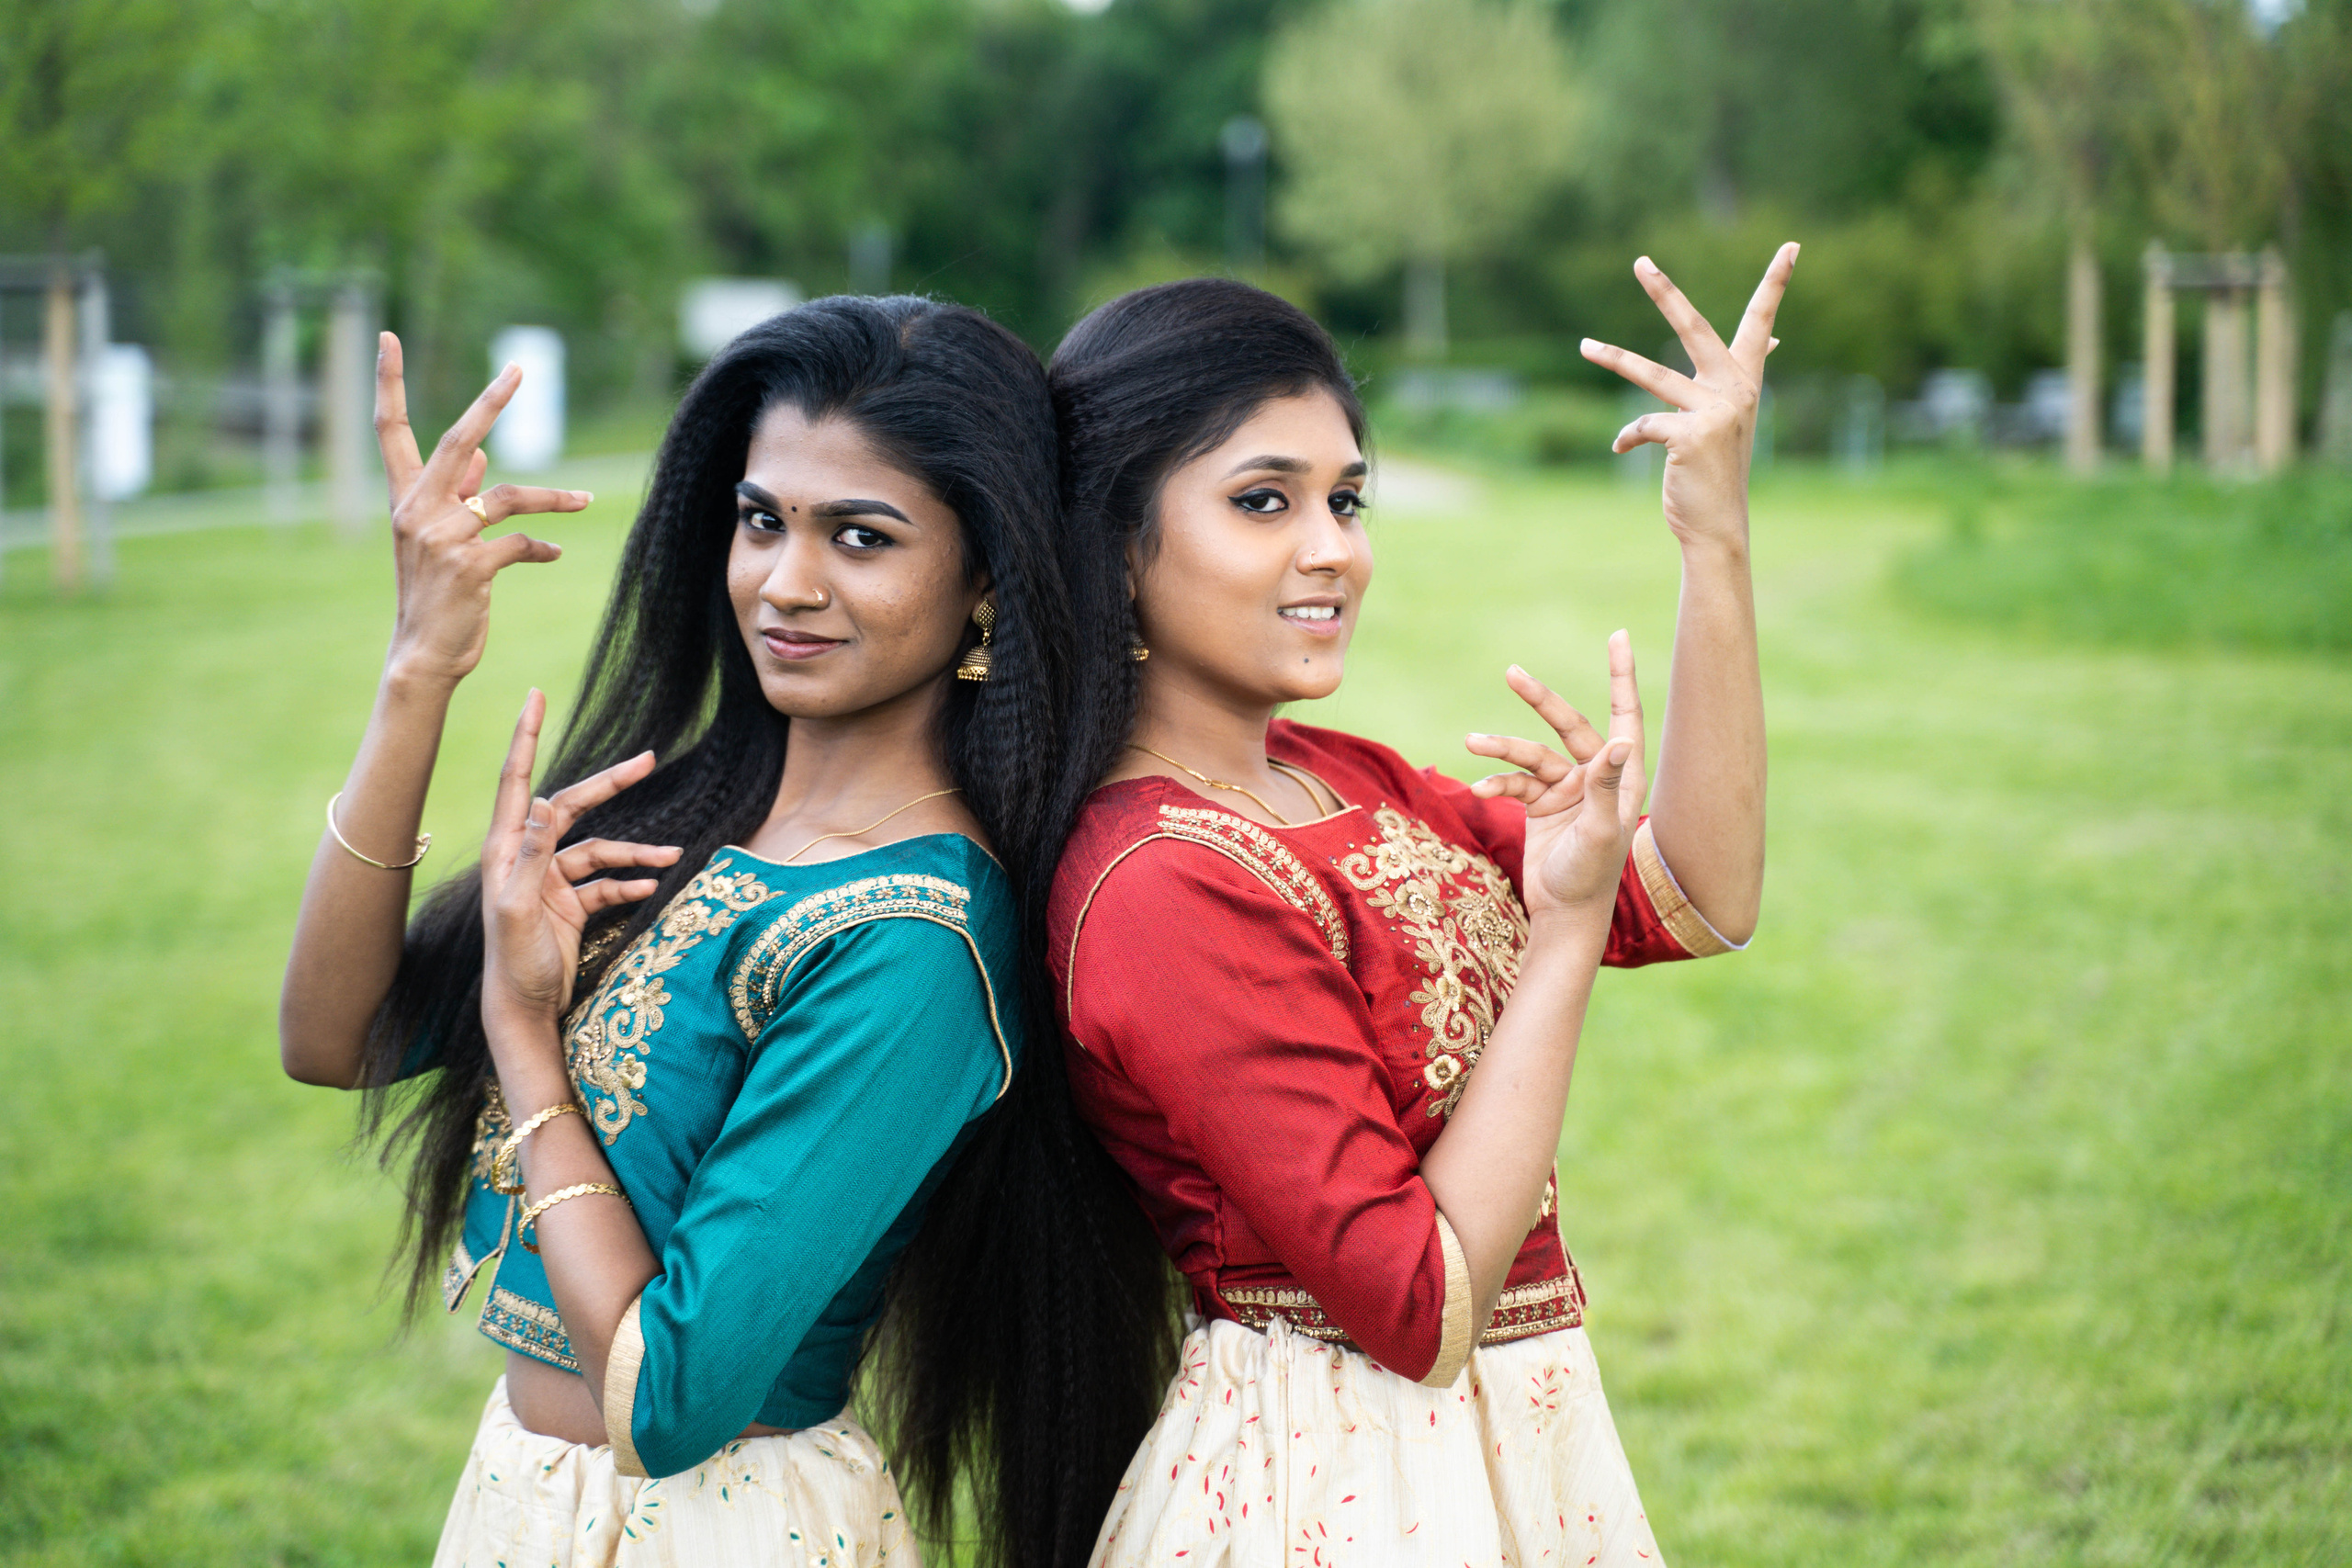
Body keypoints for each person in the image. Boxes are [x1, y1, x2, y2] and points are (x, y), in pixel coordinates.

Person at [277, 296, 1171, 1566]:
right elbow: (336, 1038)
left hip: (722, 1527)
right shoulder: (681, 815)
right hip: (534, 1497)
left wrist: (525, 1040)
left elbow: (673, 1397)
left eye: (860, 537)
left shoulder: (912, 941)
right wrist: (420, 664)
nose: (785, 583)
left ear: (984, 579)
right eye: (763, 521)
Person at [1041, 248, 1795, 1564]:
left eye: (1347, 498)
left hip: (1508, 1442)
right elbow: (1420, 1302)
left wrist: (1709, 535)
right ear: (1112, 544)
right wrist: (1559, 938)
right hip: (1336, 1486)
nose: (1333, 550)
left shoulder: (1335, 778)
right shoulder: (1161, 880)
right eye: (1263, 501)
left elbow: (1701, 896)